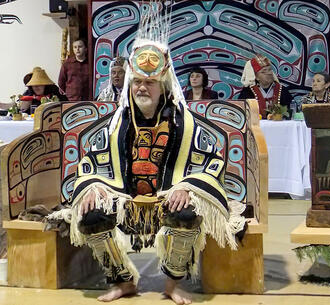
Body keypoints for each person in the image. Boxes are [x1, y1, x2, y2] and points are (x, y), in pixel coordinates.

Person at [47, 10, 246, 305]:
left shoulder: (185, 124)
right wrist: (93, 186)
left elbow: (213, 162)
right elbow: (88, 162)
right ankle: (122, 282)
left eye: (149, 83)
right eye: (137, 81)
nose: (142, 87)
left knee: (186, 214)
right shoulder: (116, 125)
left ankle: (172, 285)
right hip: (126, 201)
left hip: (168, 199)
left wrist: (188, 186)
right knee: (91, 214)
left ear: (162, 85)